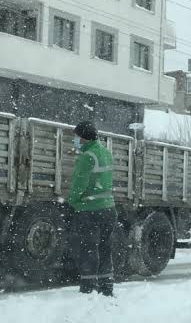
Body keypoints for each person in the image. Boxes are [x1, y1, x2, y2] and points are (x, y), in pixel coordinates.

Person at [68, 121, 117, 296]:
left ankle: (88, 286)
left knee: (88, 247)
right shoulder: (106, 153)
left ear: (83, 138)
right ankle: (106, 286)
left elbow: (79, 182)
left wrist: (72, 201)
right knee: (105, 247)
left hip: (90, 209)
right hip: (109, 208)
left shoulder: (88, 156)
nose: (75, 139)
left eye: (76, 136)